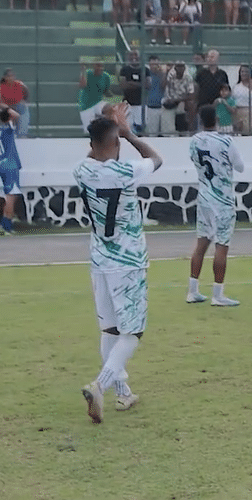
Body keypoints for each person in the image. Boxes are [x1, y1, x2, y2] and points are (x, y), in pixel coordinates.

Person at [76, 104, 164, 421]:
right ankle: (100, 385)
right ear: (115, 143)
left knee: (110, 330)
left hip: (100, 259)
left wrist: (108, 136)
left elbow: (93, 154)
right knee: (133, 332)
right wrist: (128, 134)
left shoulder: (82, 170)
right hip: (128, 260)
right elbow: (156, 159)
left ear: (90, 144)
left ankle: (123, 393)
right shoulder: (125, 170)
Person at [186, 105, 246, 307]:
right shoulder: (226, 141)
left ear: (201, 120)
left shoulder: (194, 141)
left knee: (201, 242)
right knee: (222, 245)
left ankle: (192, 290)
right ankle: (218, 294)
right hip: (223, 200)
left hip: (204, 196)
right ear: (217, 120)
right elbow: (240, 166)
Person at [0, 109, 22, 235]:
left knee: (12, 194)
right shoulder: (8, 129)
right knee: (11, 196)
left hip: (1, 165)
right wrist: (7, 109)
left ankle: (7, 223)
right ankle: (6, 224)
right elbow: (18, 116)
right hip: (11, 165)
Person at [78, 62, 113, 132]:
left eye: (101, 66)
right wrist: (83, 71)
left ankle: (107, 129)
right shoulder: (87, 73)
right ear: (93, 66)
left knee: (109, 108)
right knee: (88, 130)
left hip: (98, 102)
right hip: (86, 105)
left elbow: (106, 90)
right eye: (97, 66)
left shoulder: (106, 76)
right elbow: (82, 85)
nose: (99, 68)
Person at [0, 69, 31, 137]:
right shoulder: (0, 87)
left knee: (22, 133)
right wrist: (9, 109)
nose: (11, 78)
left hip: (20, 107)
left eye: (12, 76)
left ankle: (22, 136)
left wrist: (24, 101)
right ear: (5, 77)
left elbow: (26, 93)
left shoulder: (19, 84)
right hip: (8, 108)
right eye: (8, 76)